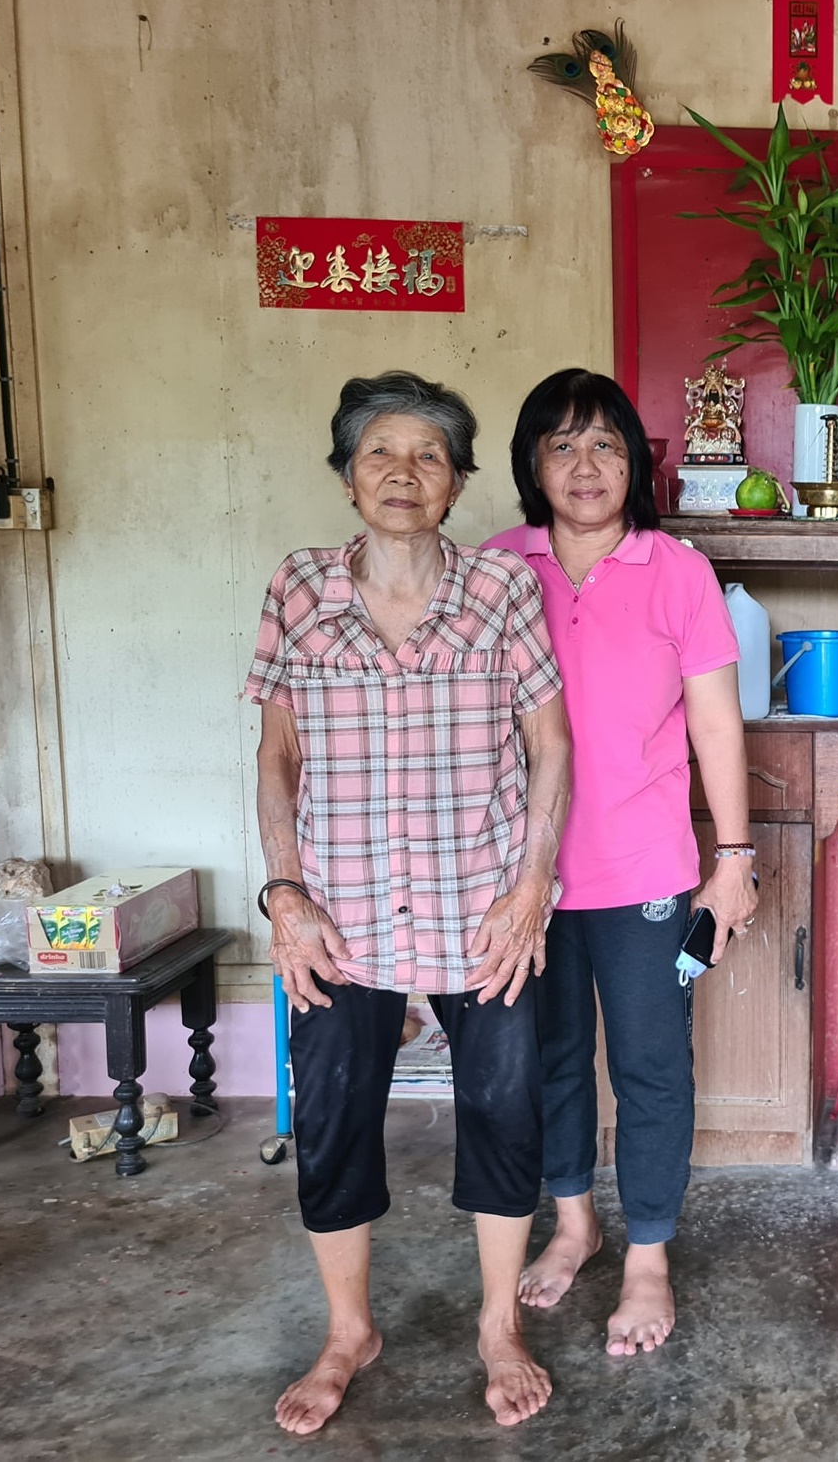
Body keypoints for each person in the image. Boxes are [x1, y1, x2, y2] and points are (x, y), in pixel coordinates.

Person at [245, 371, 573, 1434]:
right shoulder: (298, 588)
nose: (402, 473)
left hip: (481, 904)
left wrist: (531, 888)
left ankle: (496, 1323)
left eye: (428, 455)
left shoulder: (499, 591)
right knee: (334, 1115)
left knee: (504, 1105)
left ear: (457, 482)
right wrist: (284, 891)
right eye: (379, 453)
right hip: (338, 914)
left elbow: (550, 744)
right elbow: (277, 753)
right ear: (347, 476)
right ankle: (349, 1329)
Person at [483, 368, 756, 1357]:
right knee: (544, 1061)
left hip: (644, 867)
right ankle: (571, 1220)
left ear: (636, 459)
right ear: (530, 464)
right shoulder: (496, 566)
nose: (584, 464)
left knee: (648, 1064)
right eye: (560, 444)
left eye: (605, 442)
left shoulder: (674, 569)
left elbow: (717, 724)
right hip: (526, 876)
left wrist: (731, 861)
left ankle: (647, 1253)